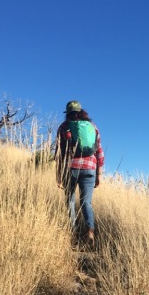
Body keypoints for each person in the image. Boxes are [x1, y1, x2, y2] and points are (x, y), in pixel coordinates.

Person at [55, 100, 104, 245]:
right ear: (82, 111)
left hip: (71, 168)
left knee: (70, 201)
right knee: (86, 202)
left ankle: (74, 232)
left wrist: (58, 174)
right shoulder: (92, 127)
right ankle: (90, 230)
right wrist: (99, 174)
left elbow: (59, 153)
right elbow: (99, 152)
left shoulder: (64, 127)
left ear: (67, 113)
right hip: (89, 168)